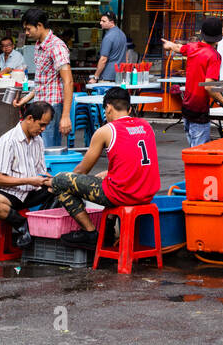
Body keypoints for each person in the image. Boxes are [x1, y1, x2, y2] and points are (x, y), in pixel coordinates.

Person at [53, 87, 161, 248]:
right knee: (105, 178)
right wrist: (106, 173)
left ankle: (90, 233)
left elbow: (82, 170)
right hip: (147, 193)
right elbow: (136, 162)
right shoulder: (146, 126)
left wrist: (64, 183)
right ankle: (108, 231)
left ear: (108, 107)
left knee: (59, 181)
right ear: (129, 108)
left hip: (122, 194)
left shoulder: (106, 131)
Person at [0, 102, 56, 250]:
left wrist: (53, 180)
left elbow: (41, 170)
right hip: (9, 194)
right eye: (41, 125)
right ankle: (24, 226)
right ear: (29, 118)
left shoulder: (38, 141)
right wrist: (29, 180)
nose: (43, 129)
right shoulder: (7, 141)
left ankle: (43, 231)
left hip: (31, 192)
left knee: (62, 189)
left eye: (46, 126)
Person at [14, 8, 73, 149]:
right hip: (40, 105)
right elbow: (43, 81)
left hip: (52, 106)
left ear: (39, 25)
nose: (27, 33)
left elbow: (68, 81)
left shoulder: (57, 47)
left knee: (49, 150)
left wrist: (65, 116)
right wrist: (26, 99)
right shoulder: (39, 45)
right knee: (38, 150)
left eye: (28, 29)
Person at [163, 16, 223, 147]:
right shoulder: (214, 56)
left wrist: (169, 45)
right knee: (198, 154)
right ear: (220, 35)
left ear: (202, 33)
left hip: (186, 108)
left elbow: (179, 47)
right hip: (199, 110)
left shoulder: (193, 47)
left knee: (192, 149)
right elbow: (209, 86)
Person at [93, 12, 129, 83]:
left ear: (111, 22)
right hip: (120, 75)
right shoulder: (122, 34)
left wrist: (95, 77)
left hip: (107, 76)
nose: (100, 23)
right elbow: (126, 55)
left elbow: (103, 59)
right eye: (101, 20)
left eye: (103, 21)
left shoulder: (108, 37)